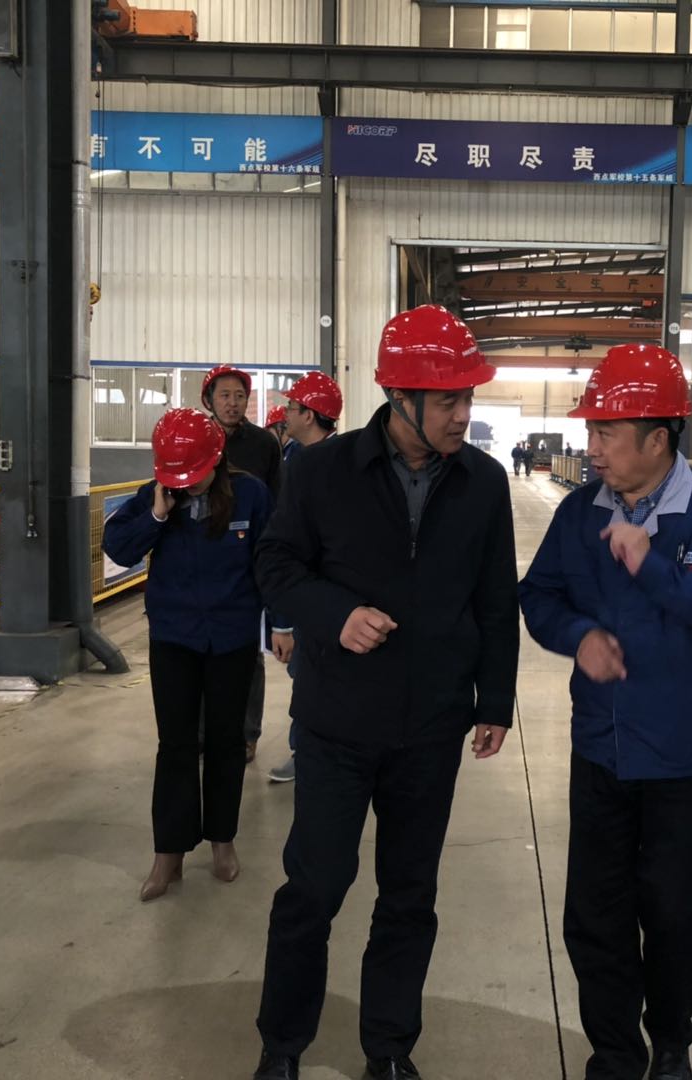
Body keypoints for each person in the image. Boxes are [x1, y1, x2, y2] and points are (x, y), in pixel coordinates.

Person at [251, 305, 519, 1080]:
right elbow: (275, 565)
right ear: (399, 396)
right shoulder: (323, 472)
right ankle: (282, 1046)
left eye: (468, 398)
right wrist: (334, 614)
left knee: (409, 896)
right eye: (448, 400)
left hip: (431, 728)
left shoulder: (483, 484)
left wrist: (493, 701)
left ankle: (390, 1049)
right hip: (337, 723)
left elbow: (495, 599)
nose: (463, 414)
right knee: (315, 888)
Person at [518, 344, 692, 1080]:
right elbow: (540, 596)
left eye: (606, 432)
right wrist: (579, 637)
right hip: (602, 752)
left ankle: (670, 1044)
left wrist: (653, 567)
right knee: (595, 917)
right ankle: (614, 1055)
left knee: (676, 914)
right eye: (591, 431)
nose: (591, 447)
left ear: (658, 438)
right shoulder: (579, 513)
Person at [102, 408, 272, 902]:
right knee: (175, 743)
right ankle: (169, 853)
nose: (187, 485)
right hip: (174, 638)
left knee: (226, 742)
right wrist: (157, 515)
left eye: (194, 475)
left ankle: (222, 840)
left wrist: (280, 623)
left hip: (231, 638)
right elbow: (119, 549)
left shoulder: (251, 495)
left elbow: (271, 560)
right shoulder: (156, 497)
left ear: (216, 460)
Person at [266, 369, 345, 785]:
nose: (286, 415)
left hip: (320, 599)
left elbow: (296, 547)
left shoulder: (330, 465)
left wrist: (286, 621)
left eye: (293, 408)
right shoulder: (298, 457)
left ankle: (310, 753)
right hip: (308, 596)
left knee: (313, 679)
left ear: (310, 415)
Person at [202, 364, 283, 763]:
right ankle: (204, 733)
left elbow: (278, 499)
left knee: (247, 651)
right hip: (204, 557)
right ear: (209, 400)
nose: (233, 403)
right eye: (225, 396)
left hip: (248, 557)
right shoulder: (198, 439)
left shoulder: (264, 444)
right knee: (201, 651)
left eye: (239, 396)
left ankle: (246, 734)